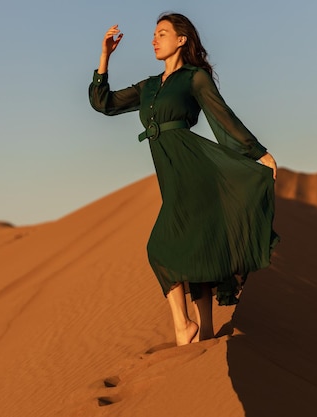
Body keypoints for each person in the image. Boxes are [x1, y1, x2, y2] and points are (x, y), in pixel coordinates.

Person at [89, 13, 279, 346]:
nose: (154, 39)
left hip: (196, 169)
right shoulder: (148, 87)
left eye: (162, 33)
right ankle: (204, 331)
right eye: (153, 34)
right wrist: (105, 56)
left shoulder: (194, 79)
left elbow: (223, 116)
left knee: (160, 248)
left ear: (181, 40)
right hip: (171, 173)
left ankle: (184, 327)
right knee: (193, 248)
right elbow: (103, 103)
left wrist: (257, 152)